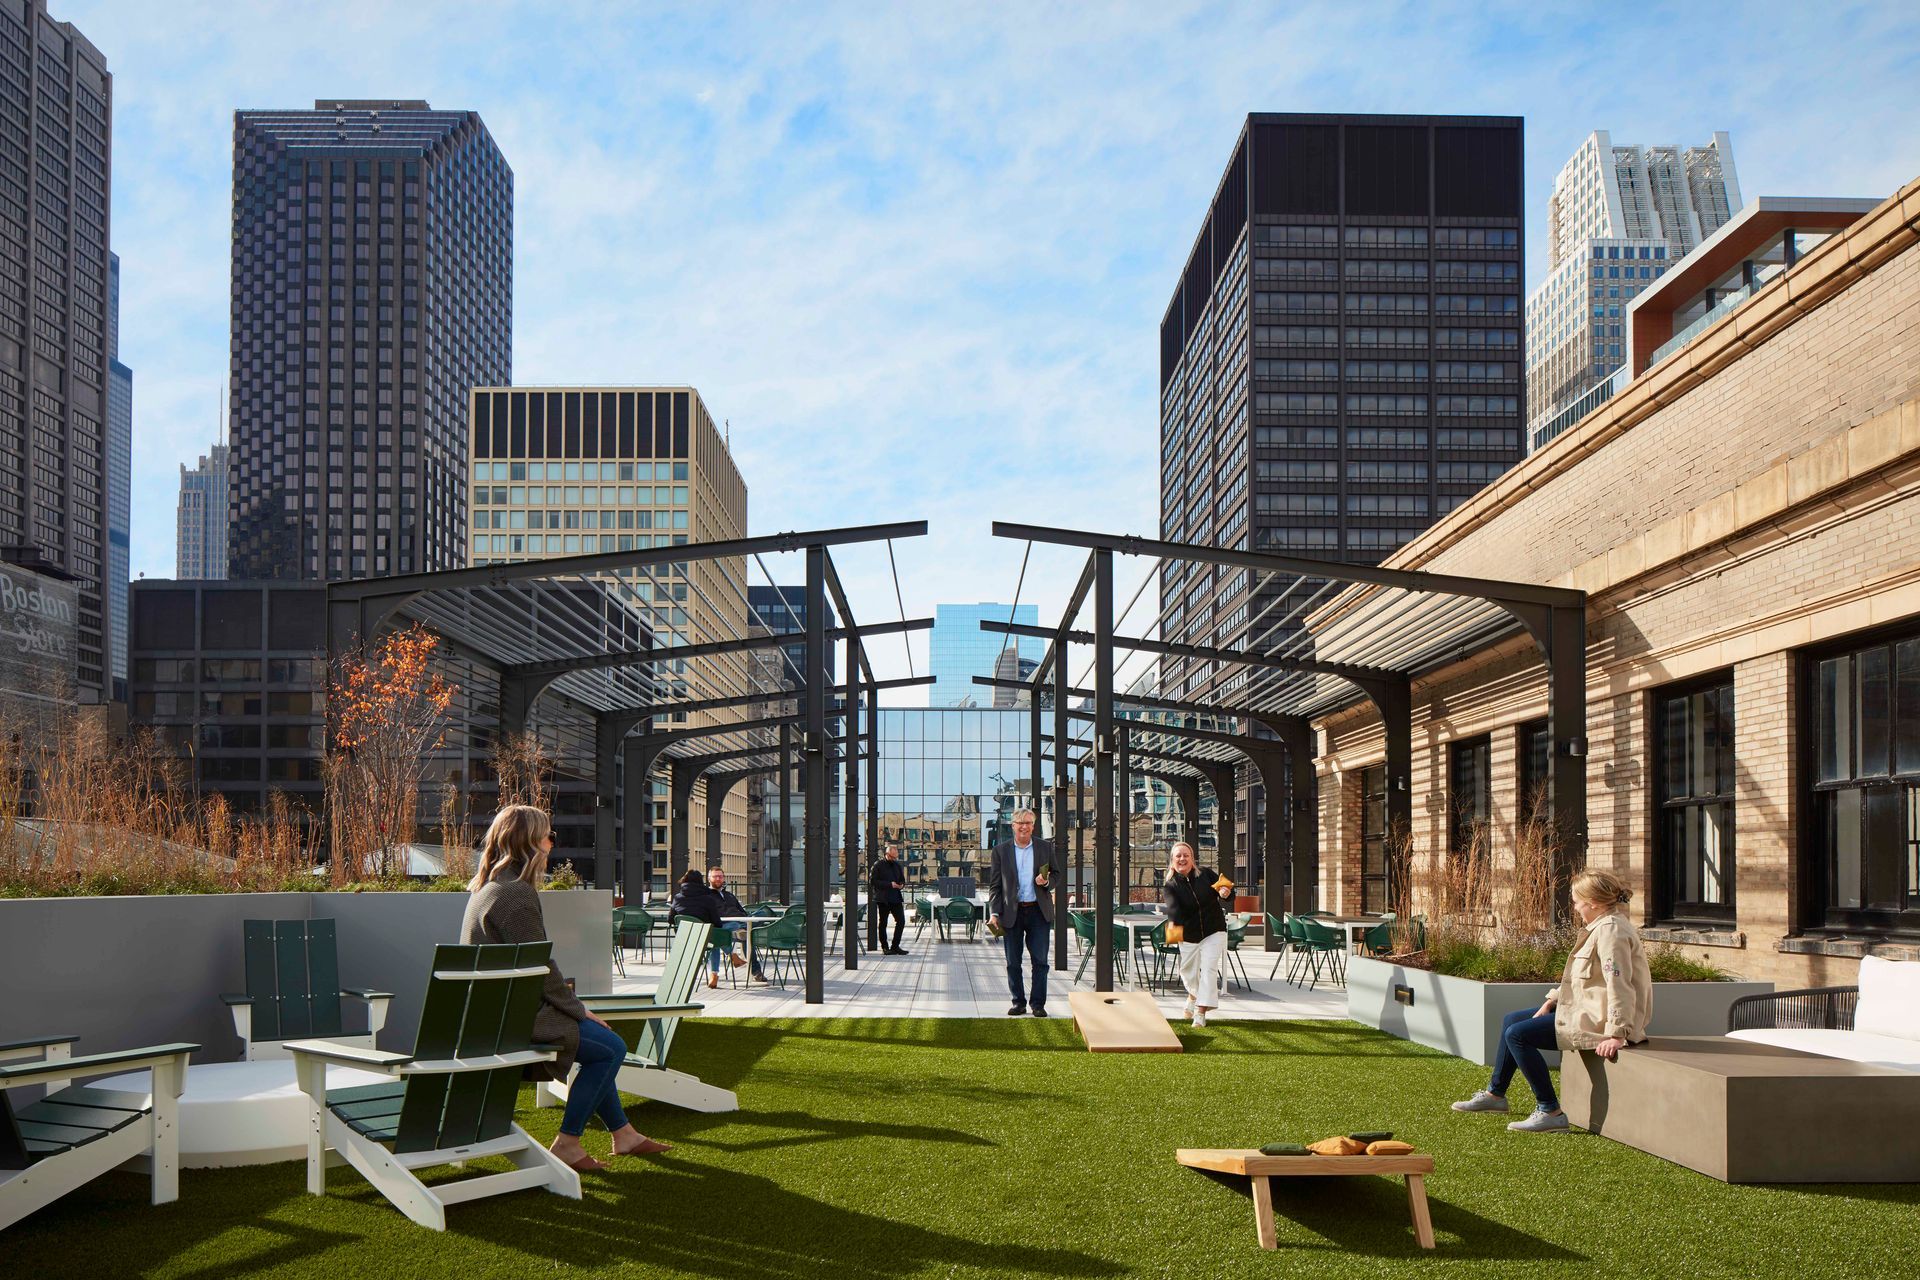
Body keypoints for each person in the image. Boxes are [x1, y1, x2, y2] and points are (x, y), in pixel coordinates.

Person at [460, 803, 670, 1172]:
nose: (552, 844)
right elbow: (539, 966)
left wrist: (571, 1006)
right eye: (548, 836)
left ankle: (625, 1135)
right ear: (529, 842)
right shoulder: (515, 894)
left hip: (495, 1010)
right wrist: (577, 1008)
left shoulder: (487, 888)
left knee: (602, 1046)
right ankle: (568, 1143)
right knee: (611, 1048)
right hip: (512, 1017)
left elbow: (531, 967)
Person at [1451, 868, 1653, 1132]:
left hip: (1599, 1020)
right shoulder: (1600, 926)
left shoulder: (1610, 933)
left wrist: (1616, 1033)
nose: (1574, 905)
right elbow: (1583, 981)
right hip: (1587, 1008)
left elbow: (1619, 984)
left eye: (1576, 899)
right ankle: (1495, 1095)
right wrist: (1552, 1000)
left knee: (1518, 1035)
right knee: (1512, 1019)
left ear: (1593, 902)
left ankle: (1550, 1111)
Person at [987, 808, 1055, 1017]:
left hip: (1038, 913)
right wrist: (994, 913)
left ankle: (1038, 1004)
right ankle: (1018, 1002)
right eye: (1019, 822)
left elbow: (1058, 875)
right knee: (1013, 962)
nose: (1024, 826)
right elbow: (995, 886)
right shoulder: (1000, 851)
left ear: (1033, 826)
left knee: (1040, 962)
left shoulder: (1045, 848)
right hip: (1011, 914)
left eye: (1028, 822)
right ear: (1013, 826)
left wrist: (1047, 882)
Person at [1163, 841, 1233, 1028]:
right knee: (1187, 973)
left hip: (1214, 930)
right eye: (1178, 856)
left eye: (1186, 855)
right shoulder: (1170, 886)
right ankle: (1193, 995)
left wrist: (1226, 893)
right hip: (1189, 934)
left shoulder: (1206, 874)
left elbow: (1227, 891)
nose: (1182, 858)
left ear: (1192, 859)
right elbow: (1173, 910)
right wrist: (1173, 930)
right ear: (1172, 861)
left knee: (1209, 969)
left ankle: (1200, 1013)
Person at [668, 869, 733, 989]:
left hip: (684, 940)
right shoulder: (708, 898)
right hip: (703, 940)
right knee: (715, 936)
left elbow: (670, 920)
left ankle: (685, 978)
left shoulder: (677, 898)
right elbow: (717, 922)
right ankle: (721, 966)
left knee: (713, 935)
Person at [707, 866, 767, 982]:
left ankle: (743, 930)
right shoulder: (706, 896)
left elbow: (742, 911)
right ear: (709, 878)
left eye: (720, 876)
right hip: (724, 925)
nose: (718, 879)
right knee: (745, 935)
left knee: (762, 912)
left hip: (741, 921)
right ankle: (756, 972)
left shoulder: (729, 895)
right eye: (715, 877)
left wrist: (746, 919)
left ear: (724, 878)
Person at [870, 845, 909, 955]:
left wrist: (901, 885)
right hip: (883, 898)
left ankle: (895, 946)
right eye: (892, 857)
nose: (894, 859)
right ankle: (885, 947)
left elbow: (902, 880)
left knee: (901, 921)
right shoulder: (878, 865)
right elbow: (873, 881)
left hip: (896, 897)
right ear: (887, 854)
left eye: (895, 857)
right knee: (883, 923)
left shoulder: (897, 865)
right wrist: (889, 884)